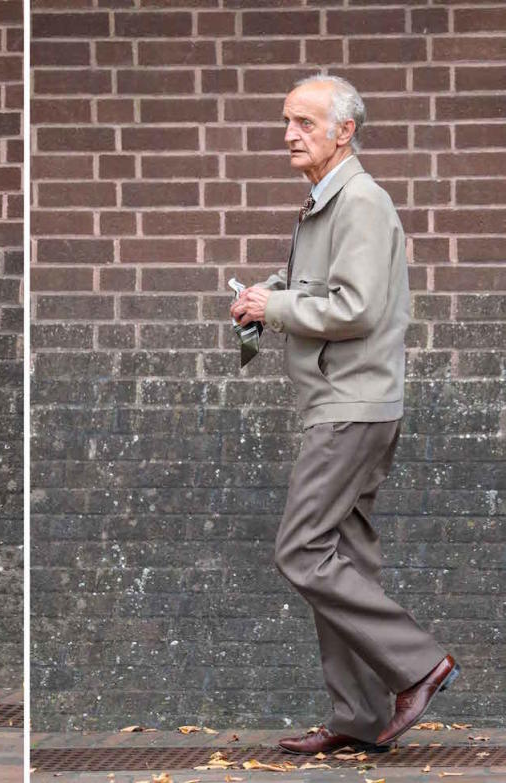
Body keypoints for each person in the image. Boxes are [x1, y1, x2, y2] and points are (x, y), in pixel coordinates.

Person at [230, 75, 459, 753]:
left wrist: (272, 308)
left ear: (343, 131)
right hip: (347, 401)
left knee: (299, 549)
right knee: (342, 560)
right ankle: (359, 716)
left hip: (349, 406)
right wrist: (267, 293)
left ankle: (418, 662)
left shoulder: (358, 201)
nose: (288, 135)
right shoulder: (327, 202)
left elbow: (354, 307)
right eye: (286, 121)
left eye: (303, 122)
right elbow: (323, 291)